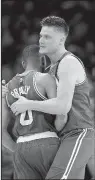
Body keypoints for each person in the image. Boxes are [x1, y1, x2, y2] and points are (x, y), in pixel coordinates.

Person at [10, 16, 95, 179]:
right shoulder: (50, 69)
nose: (41, 40)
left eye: (47, 36)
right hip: (63, 136)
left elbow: (63, 107)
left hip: (78, 133)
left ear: (62, 39)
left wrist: (28, 104)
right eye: (41, 35)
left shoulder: (68, 63)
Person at [2, 44, 61, 179]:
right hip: (48, 142)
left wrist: (18, 151)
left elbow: (1, 133)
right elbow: (61, 115)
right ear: (43, 61)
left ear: (23, 63)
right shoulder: (46, 79)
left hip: (22, 146)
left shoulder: (6, 89)